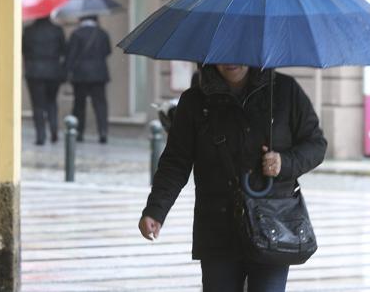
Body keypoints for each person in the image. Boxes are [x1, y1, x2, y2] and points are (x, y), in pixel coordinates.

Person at [138, 64, 327, 292]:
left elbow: (315, 145)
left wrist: (284, 162)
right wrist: (156, 209)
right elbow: (175, 162)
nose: (231, 60)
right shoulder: (195, 101)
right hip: (218, 227)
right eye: (223, 53)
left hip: (273, 224)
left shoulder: (285, 91)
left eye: (239, 51)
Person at [64, 15, 111, 143]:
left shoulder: (76, 34)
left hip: (80, 75)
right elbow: (108, 51)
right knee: (100, 104)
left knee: (79, 104)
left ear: (81, 20)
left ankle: (79, 132)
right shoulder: (102, 33)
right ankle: (103, 131)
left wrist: (67, 72)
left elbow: (70, 55)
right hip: (99, 74)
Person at [22, 16, 66, 145]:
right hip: (53, 71)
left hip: (34, 72)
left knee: (37, 105)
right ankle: (54, 132)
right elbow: (64, 50)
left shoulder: (28, 30)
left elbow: (24, 49)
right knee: (52, 102)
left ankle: (40, 136)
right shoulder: (57, 30)